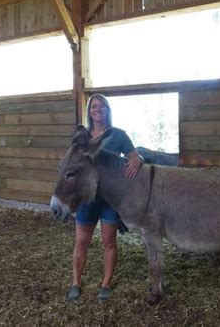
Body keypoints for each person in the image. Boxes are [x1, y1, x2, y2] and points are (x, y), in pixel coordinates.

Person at [67, 93, 143, 301]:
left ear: (107, 110)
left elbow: (135, 157)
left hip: (110, 199)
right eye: (93, 106)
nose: (97, 109)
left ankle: (106, 283)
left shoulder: (118, 135)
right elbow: (72, 160)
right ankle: (75, 282)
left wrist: (138, 160)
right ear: (89, 111)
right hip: (86, 198)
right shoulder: (82, 136)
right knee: (81, 242)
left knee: (109, 242)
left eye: (101, 106)